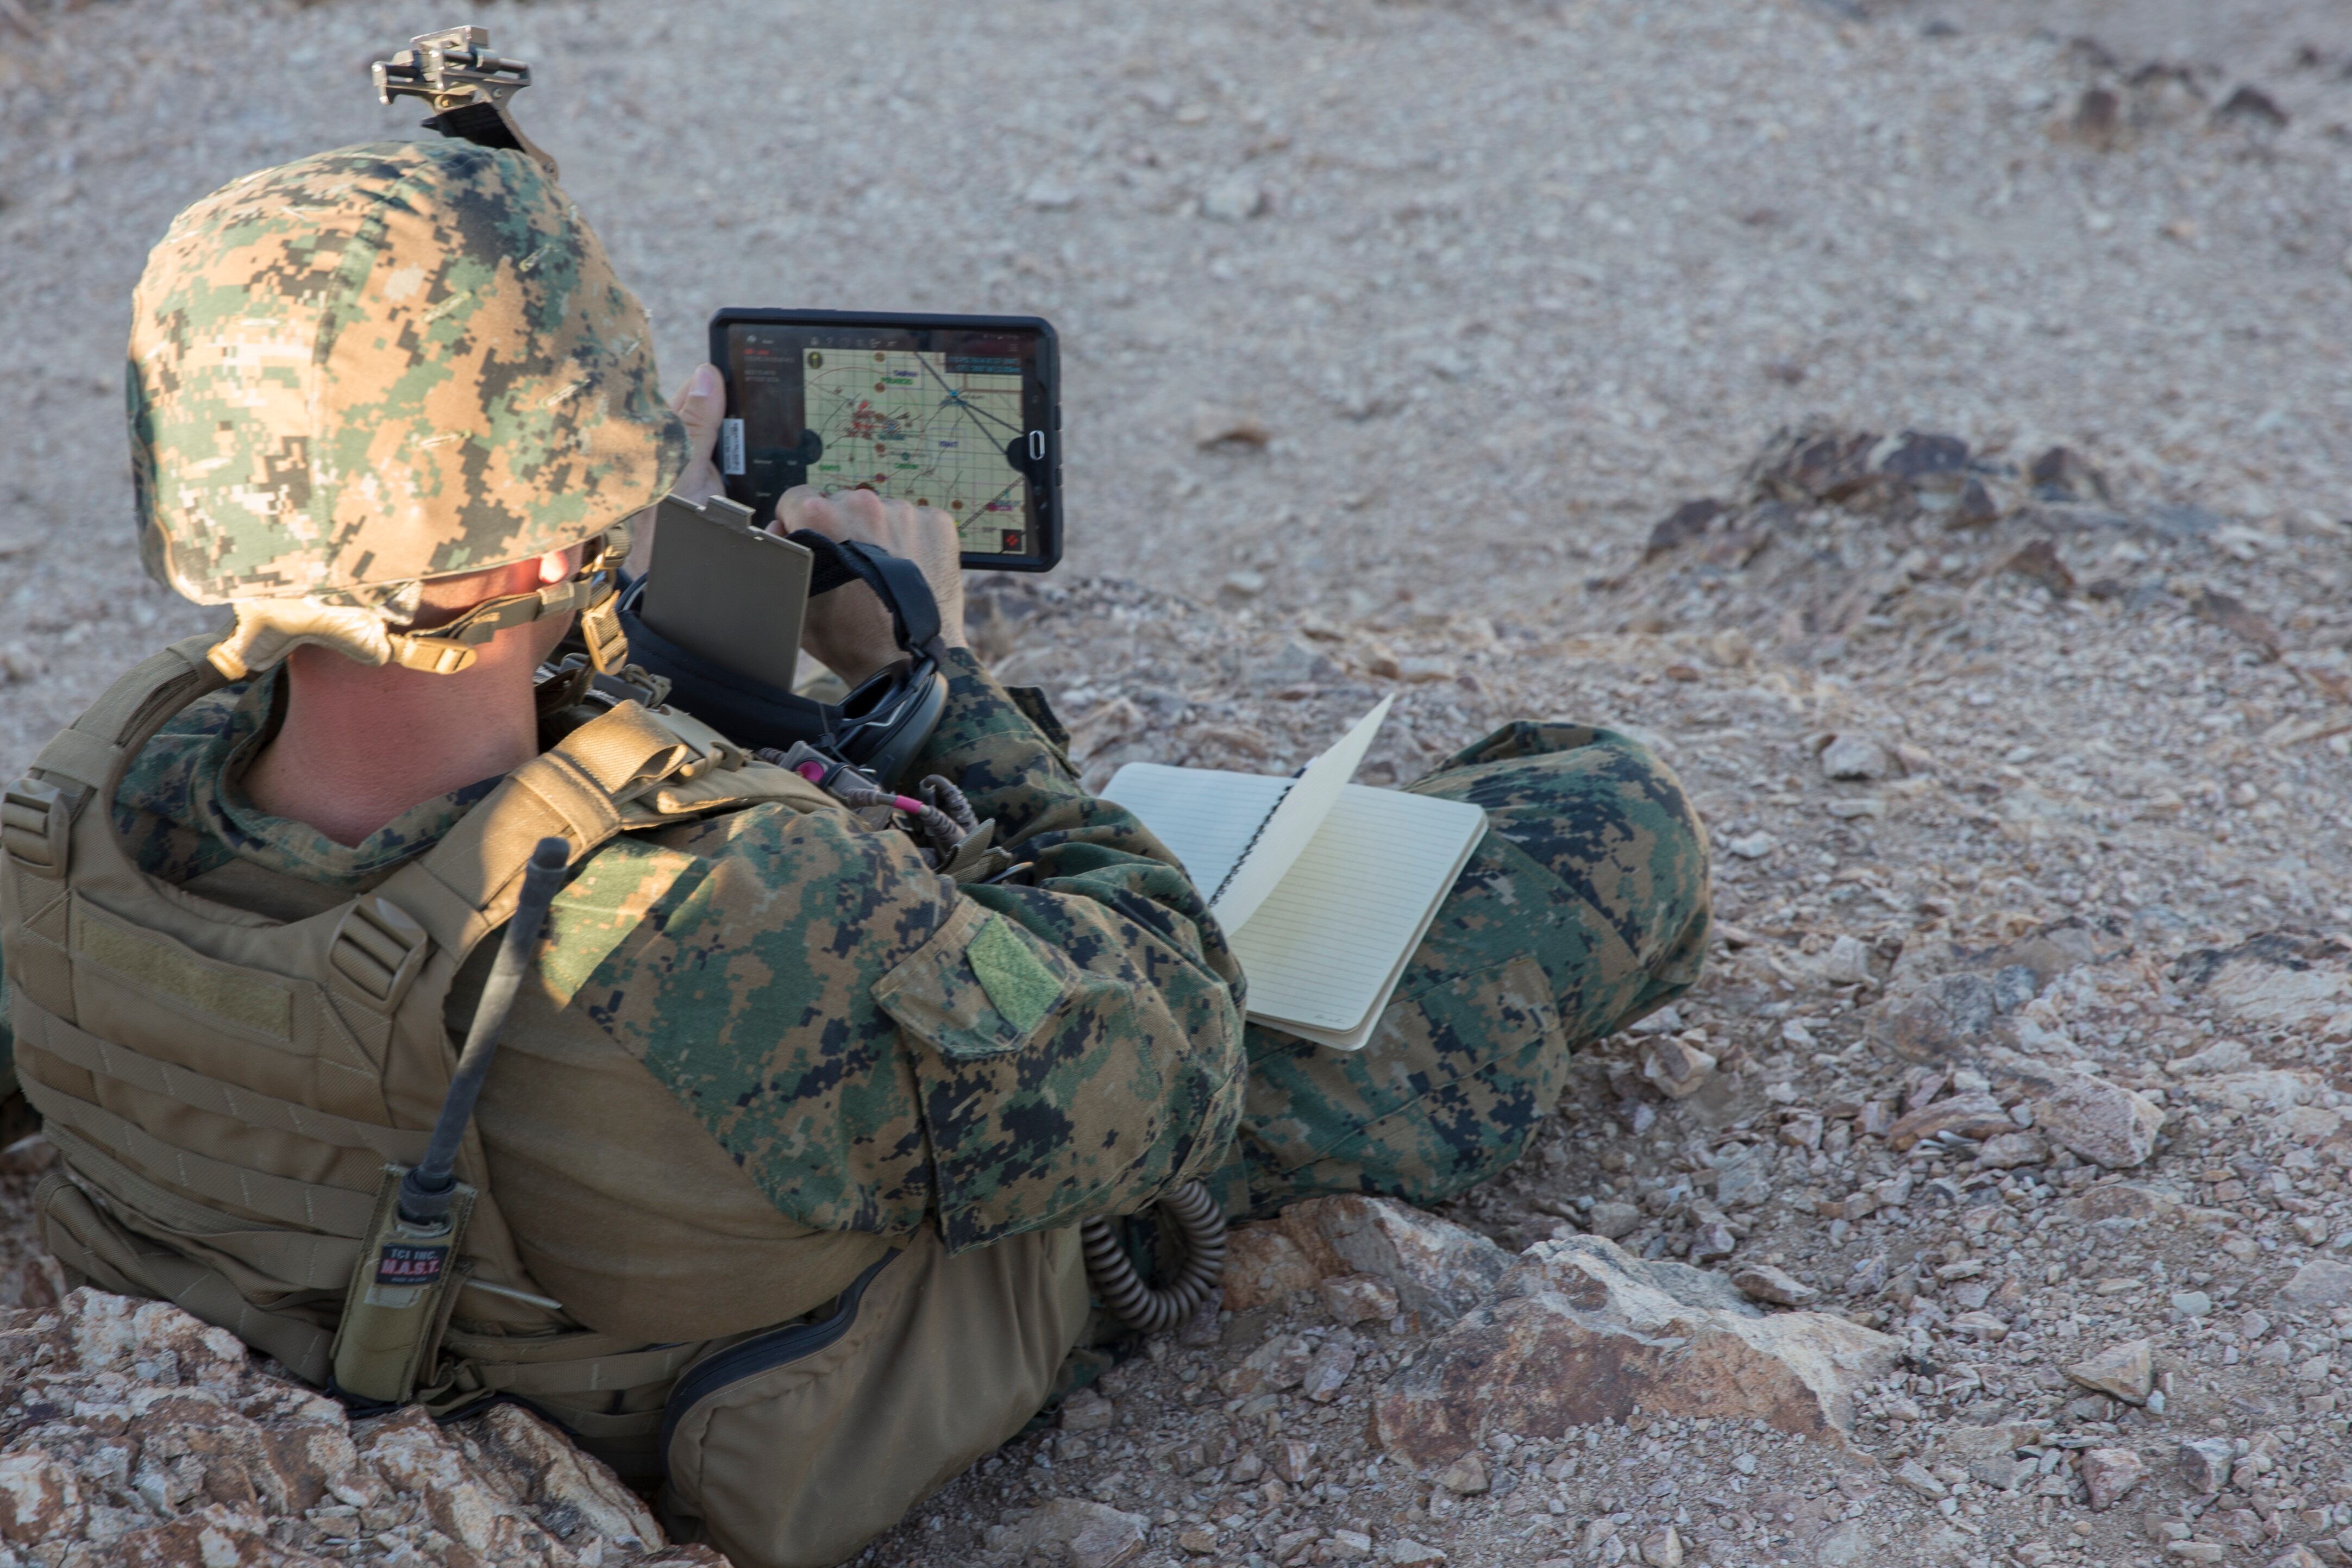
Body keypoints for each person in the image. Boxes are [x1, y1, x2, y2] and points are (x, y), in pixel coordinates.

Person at [0, 137, 1709, 1568]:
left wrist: (594, 597)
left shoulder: (94, 790)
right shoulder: (727, 915)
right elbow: (1172, 1057)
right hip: (754, 1362)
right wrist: (930, 688)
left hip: (453, 1260)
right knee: (1592, 814)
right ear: (538, 537)